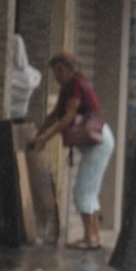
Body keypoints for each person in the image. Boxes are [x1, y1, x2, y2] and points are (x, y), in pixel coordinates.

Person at [31, 52, 115, 250]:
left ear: (71, 69)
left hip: (99, 142)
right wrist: (40, 133)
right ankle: (93, 236)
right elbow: (55, 115)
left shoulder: (76, 86)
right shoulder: (69, 88)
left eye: (60, 70)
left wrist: (44, 138)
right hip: (100, 141)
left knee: (83, 192)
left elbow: (67, 118)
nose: (57, 76)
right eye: (54, 72)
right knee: (89, 191)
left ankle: (90, 238)